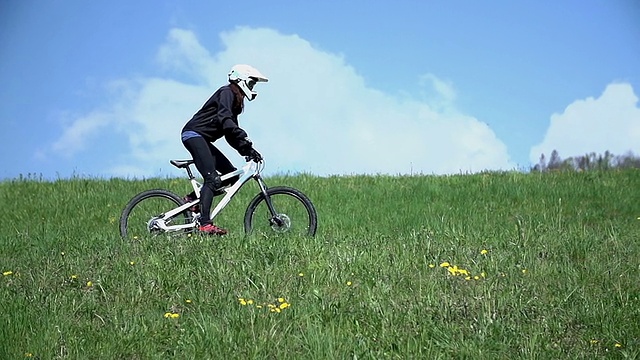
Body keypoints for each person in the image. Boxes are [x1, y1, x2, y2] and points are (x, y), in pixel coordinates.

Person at [180, 64, 267, 235]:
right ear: (241, 80)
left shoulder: (235, 100)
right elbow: (226, 121)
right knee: (212, 179)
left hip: (202, 138)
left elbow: (230, 132)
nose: (252, 87)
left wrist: (247, 150)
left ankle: (192, 200)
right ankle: (205, 224)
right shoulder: (227, 92)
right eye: (251, 83)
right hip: (193, 135)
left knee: (231, 176)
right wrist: (244, 138)